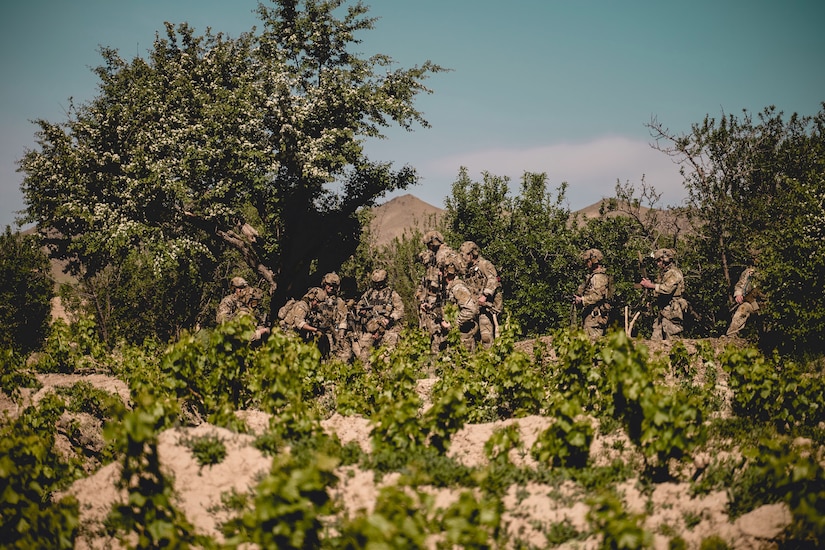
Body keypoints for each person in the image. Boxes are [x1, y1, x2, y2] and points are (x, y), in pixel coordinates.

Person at [416, 230, 459, 354]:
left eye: (429, 244)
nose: (428, 248)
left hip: (441, 298)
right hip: (433, 297)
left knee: (439, 331)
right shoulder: (435, 254)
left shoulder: (444, 254)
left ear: (434, 242)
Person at [355, 269, 405, 363]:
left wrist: (391, 318)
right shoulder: (369, 293)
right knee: (364, 355)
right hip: (370, 329)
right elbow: (359, 306)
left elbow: (400, 310)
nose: (378, 285)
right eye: (375, 283)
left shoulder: (391, 294)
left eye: (380, 283)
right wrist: (362, 312)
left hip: (387, 330)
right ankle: (367, 375)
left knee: (388, 355)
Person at [459, 241, 502, 348]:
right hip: (474, 308)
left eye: (466, 255)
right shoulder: (468, 270)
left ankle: (490, 358)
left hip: (487, 307)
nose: (464, 258)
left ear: (472, 254)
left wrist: (484, 296)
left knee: (486, 337)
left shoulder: (484, 265)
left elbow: (493, 281)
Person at [639, 248, 686, 340]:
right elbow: (660, 289)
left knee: (672, 339)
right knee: (655, 339)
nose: (658, 264)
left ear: (665, 260)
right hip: (663, 311)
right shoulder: (664, 274)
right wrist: (650, 285)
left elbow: (667, 289)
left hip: (672, 311)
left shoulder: (673, 273)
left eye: (659, 261)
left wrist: (651, 285)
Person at [441, 260, 479, 351]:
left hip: (464, 336)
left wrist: (454, 324)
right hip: (458, 335)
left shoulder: (457, 287)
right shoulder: (449, 287)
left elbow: (470, 310)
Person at [574, 248, 611, 339]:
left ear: (593, 261)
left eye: (588, 261)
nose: (586, 263)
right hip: (590, 317)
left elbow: (598, 296)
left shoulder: (599, 277)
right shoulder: (593, 276)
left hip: (595, 318)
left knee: (592, 345)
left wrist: (583, 300)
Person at [725, 248, 762, 338]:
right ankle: (731, 335)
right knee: (743, 308)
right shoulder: (747, 272)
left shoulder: (768, 272)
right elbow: (740, 284)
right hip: (752, 302)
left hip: (764, 303)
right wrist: (738, 294)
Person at [287, 287, 331, 355]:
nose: (319, 305)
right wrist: (315, 330)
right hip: (289, 335)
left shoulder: (311, 310)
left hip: (298, 337)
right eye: (318, 302)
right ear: (312, 299)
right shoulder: (301, 306)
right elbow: (300, 323)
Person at [320, 272, 352, 362]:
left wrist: (341, 334)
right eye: (329, 285)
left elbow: (343, 319)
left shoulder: (339, 301)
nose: (331, 288)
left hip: (334, 332)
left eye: (333, 286)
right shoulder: (318, 297)